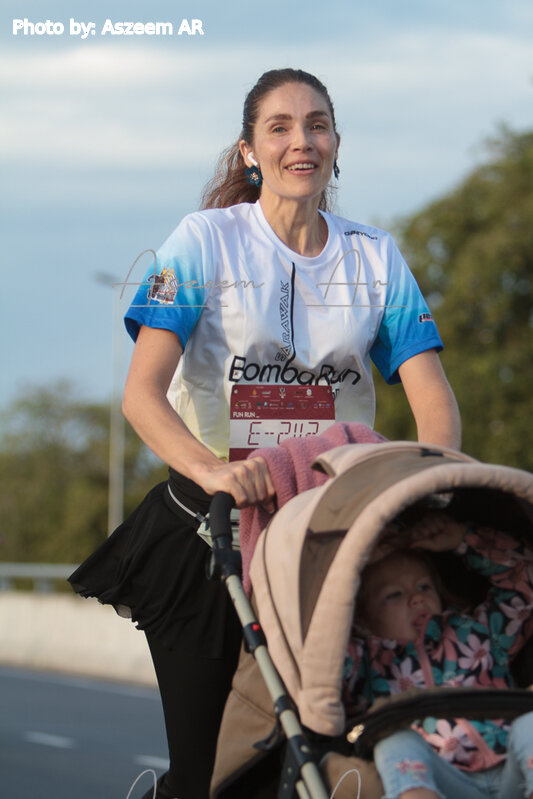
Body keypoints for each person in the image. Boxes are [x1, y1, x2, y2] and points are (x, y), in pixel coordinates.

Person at [69, 68, 461, 799]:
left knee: (313, 766)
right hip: (209, 534)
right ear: (249, 150)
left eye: (316, 125)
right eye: (279, 127)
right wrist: (213, 471)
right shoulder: (202, 240)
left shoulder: (376, 256)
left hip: (324, 537)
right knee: (208, 775)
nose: (299, 140)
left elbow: (434, 404)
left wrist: (423, 485)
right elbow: (141, 396)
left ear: (335, 144)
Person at [343, 511, 533, 799]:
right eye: (394, 594)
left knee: (529, 723)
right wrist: (351, 569)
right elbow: (320, 648)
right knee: (395, 741)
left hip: (513, 773)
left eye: (424, 586)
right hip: (442, 782)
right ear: (362, 618)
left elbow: (525, 577)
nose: (416, 598)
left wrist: (463, 538)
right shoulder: (362, 663)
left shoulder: (478, 632)